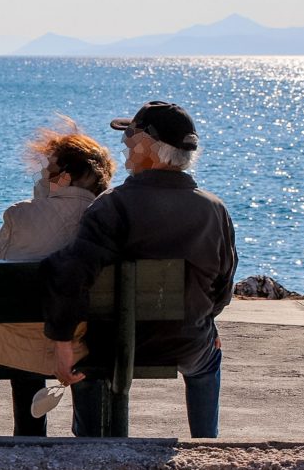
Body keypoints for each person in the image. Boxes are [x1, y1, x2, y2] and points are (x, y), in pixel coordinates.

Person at [38, 101, 237, 438]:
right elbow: (223, 287)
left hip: (118, 344)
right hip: (187, 341)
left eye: (130, 136)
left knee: (87, 357)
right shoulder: (214, 210)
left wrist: (62, 342)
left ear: (148, 145)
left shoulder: (112, 205)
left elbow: (71, 273)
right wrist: (203, 321)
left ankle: (92, 442)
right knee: (209, 354)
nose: (124, 143)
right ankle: (206, 443)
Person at [0, 122, 115, 436]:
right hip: (71, 339)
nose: (40, 178)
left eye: (45, 172)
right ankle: (30, 435)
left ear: (64, 178)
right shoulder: (108, 217)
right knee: (31, 342)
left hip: (9, 337)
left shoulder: (21, 214)